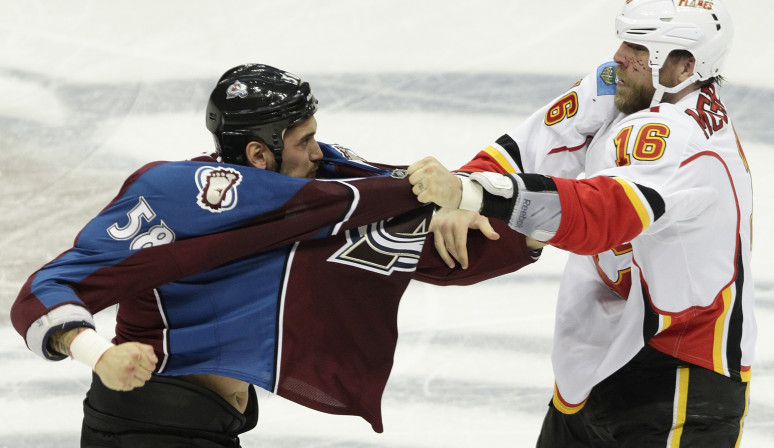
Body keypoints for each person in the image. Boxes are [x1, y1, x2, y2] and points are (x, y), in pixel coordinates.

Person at [10, 64, 539, 447]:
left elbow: (431, 245)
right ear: (260, 153)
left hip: (216, 427)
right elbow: (45, 289)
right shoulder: (177, 197)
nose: (318, 152)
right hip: (143, 428)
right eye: (305, 140)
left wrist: (521, 222)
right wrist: (97, 353)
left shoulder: (322, 197)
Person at [408, 0, 754, 446]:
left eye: (637, 47)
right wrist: (469, 185)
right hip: (593, 360)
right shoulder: (621, 85)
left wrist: (473, 194)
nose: (618, 57)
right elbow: (533, 145)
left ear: (684, 66)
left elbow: (601, 215)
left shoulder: (684, 140)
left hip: (679, 376)